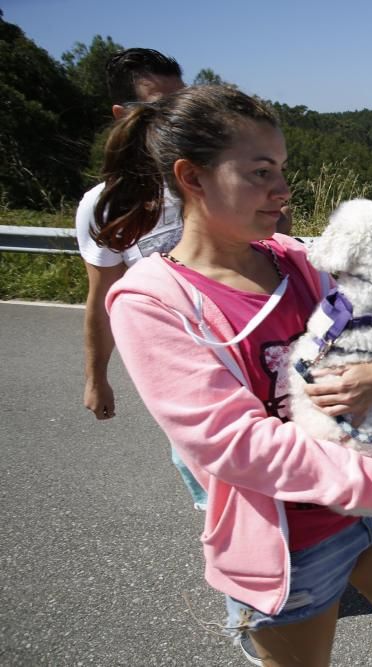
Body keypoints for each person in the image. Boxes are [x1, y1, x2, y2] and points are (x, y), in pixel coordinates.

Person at [99, 85, 372, 666]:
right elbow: (232, 442)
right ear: (192, 177)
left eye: (282, 170)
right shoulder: (153, 301)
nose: (282, 191)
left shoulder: (293, 258)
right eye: (261, 172)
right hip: (291, 538)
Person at [71, 48, 213, 507]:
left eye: (181, 103)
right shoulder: (106, 204)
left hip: (249, 344)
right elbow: (102, 296)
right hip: (178, 360)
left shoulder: (208, 176)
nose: (174, 119)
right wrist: (97, 377)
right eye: (158, 108)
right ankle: (258, 563)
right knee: (200, 466)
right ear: (122, 115)